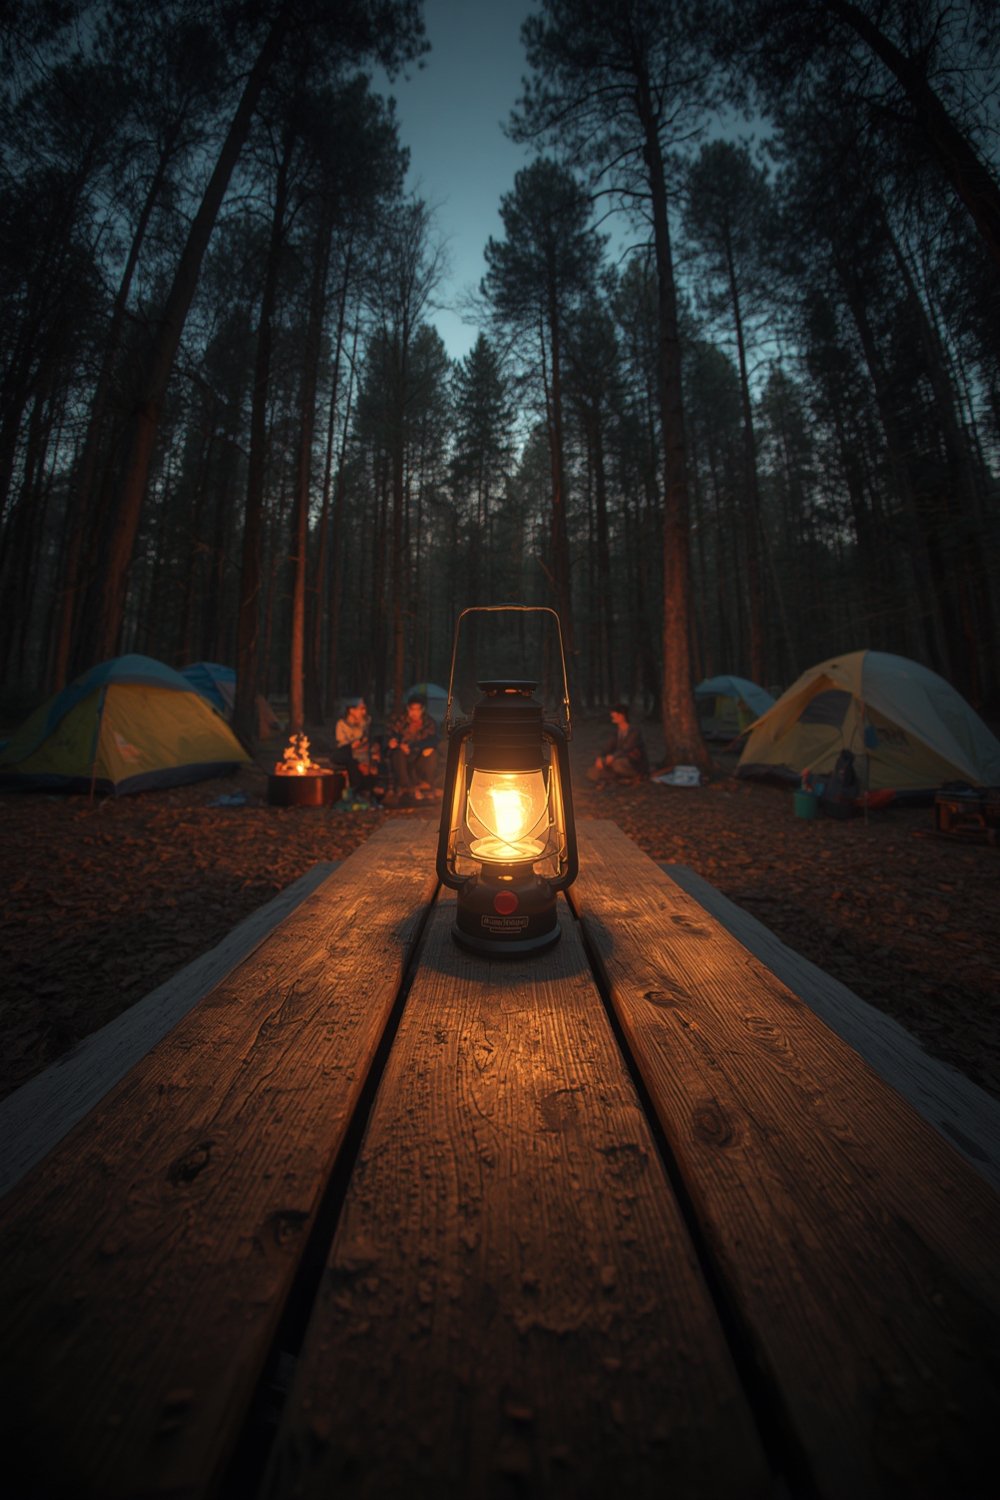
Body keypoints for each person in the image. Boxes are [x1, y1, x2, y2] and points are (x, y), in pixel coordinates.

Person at [386, 691, 440, 802]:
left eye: (417, 710)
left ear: (422, 709)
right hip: (402, 756)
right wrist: (396, 744)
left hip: (419, 756)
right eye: (412, 709)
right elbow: (392, 736)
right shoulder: (400, 721)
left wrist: (418, 747)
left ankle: (426, 785)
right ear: (408, 708)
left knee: (431, 753)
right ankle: (407, 787)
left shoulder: (428, 722)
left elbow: (434, 739)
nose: (414, 713)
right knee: (397, 754)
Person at [333, 697, 385, 801]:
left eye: (364, 709)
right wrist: (353, 745)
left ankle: (371, 789)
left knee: (372, 760)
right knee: (352, 760)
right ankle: (357, 789)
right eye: (361, 708)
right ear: (351, 710)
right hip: (347, 752)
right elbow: (341, 743)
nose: (364, 711)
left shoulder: (367, 722)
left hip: (364, 752)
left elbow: (372, 739)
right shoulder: (342, 724)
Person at [586, 702, 649, 786]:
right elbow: (608, 747)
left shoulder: (634, 731)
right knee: (593, 771)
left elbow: (627, 748)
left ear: (622, 715)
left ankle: (637, 775)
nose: (612, 716)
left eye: (615, 714)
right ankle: (617, 777)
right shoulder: (617, 732)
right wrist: (600, 757)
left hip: (633, 762)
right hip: (618, 759)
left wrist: (613, 757)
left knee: (617, 764)